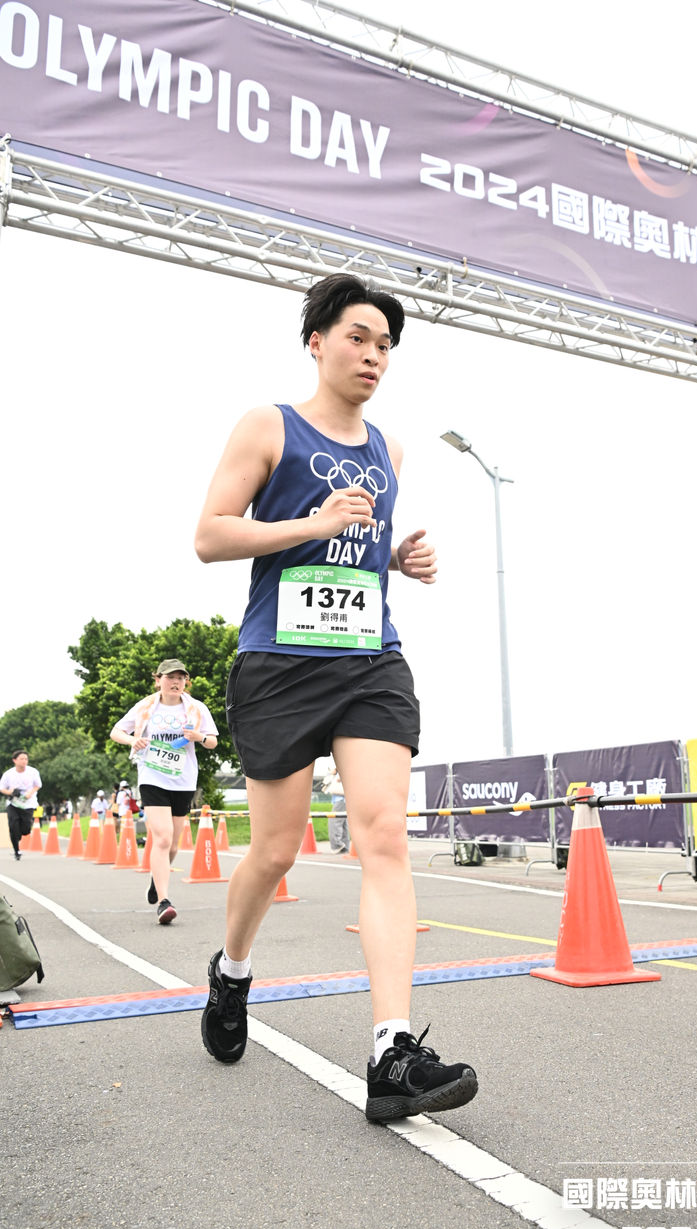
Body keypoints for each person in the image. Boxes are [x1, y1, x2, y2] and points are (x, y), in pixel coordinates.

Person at [194, 273, 477, 1122]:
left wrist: (394, 559)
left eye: (385, 345)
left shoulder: (390, 450)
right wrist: (312, 525)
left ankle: (393, 1051)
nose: (372, 356)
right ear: (317, 342)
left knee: (383, 834)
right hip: (279, 665)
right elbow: (210, 535)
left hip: (368, 661)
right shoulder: (268, 425)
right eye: (357, 337)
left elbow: (359, 542)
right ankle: (232, 971)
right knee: (274, 852)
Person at [109, 659, 219, 925]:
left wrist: (198, 737)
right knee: (162, 837)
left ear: (185, 682)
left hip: (183, 780)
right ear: (158, 680)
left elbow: (212, 742)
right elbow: (116, 731)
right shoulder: (146, 706)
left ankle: (156, 879)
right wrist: (133, 739)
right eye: (170, 677)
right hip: (152, 776)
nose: (175, 682)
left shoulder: (196, 708)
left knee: (173, 844)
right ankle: (164, 902)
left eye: (180, 678)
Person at [0, 750, 42, 860]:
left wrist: (30, 793)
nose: (24, 761)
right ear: (14, 760)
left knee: (25, 830)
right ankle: (16, 851)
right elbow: (2, 788)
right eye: (21, 759)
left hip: (28, 804)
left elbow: (38, 785)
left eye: (26, 759)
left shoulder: (33, 772)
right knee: (13, 825)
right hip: (13, 804)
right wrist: (10, 792)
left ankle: (20, 834)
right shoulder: (8, 774)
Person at [321, 765, 349, 854]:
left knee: (334, 821)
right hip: (343, 799)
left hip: (341, 799)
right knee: (343, 822)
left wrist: (335, 771)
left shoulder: (341, 768)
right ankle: (344, 846)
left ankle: (337, 845)